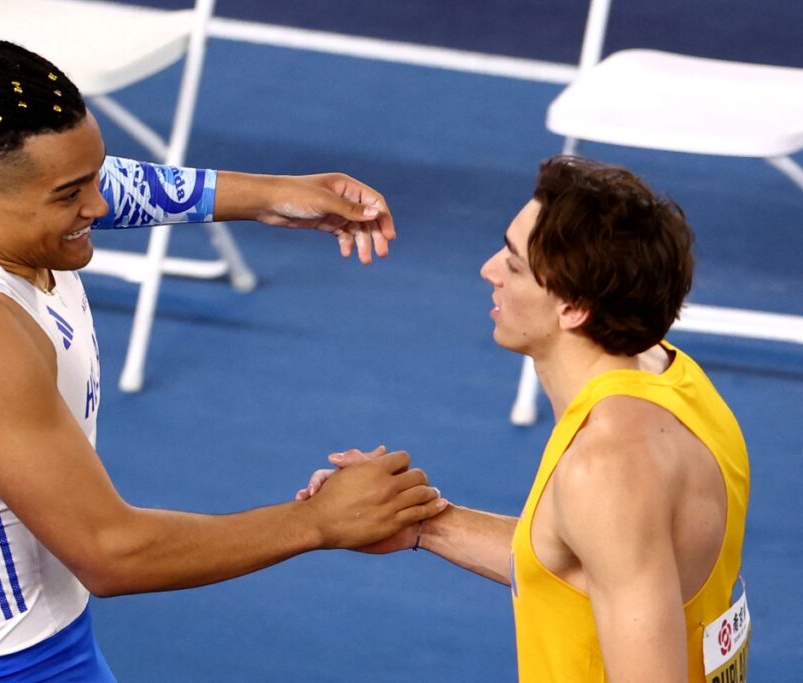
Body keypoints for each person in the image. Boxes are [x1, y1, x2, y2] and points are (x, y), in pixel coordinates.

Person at [0, 39, 447, 681]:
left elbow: (113, 185)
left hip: (49, 650)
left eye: (93, 176)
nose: (98, 207)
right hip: (1, 669)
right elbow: (111, 553)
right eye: (72, 194)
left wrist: (276, 195)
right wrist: (318, 522)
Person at [299, 156, 751, 682]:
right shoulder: (673, 376)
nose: (488, 270)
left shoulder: (607, 467)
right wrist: (422, 522)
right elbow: (579, 562)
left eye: (513, 265)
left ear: (573, 307)